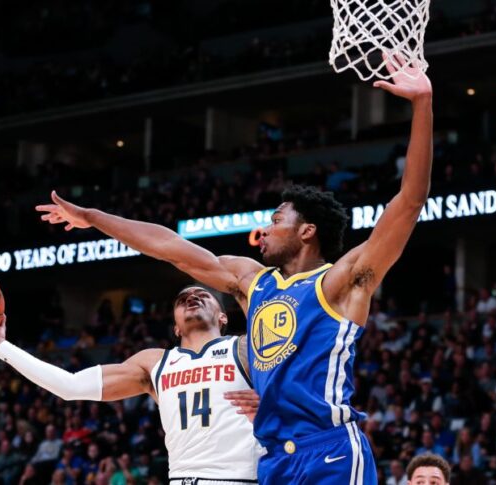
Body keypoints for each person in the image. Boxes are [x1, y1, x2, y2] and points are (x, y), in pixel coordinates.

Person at [37, 59, 433, 484]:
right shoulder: (252, 283)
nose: (263, 229)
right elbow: (171, 248)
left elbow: (409, 202)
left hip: (328, 449)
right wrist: (94, 217)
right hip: (273, 459)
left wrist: (423, 105)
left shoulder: (340, 281)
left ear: (307, 231)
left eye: (277, 220)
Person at [0, 286, 264, 484]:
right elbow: (70, 386)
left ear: (223, 317)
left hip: (241, 478)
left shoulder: (247, 348)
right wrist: (0, 348)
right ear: (175, 326)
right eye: (183, 299)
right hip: (181, 478)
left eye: (202, 296)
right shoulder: (155, 362)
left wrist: (272, 406)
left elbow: (307, 392)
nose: (191, 298)